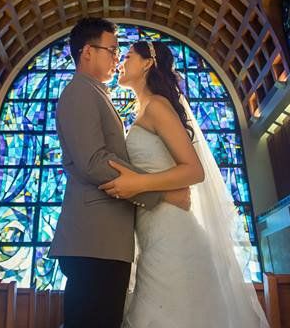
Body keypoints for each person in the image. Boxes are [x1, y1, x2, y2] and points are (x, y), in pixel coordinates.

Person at [104, 40, 269, 327]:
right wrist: (163, 192)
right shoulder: (140, 112)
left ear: (147, 63)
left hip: (174, 236)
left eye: (128, 56)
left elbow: (194, 170)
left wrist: (140, 183)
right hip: (151, 232)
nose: (121, 62)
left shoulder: (157, 106)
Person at [49, 18, 191, 328]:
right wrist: (162, 193)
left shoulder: (96, 93)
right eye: (112, 50)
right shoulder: (79, 93)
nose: (117, 58)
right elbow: (94, 161)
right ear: (87, 52)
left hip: (105, 240)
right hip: (94, 240)